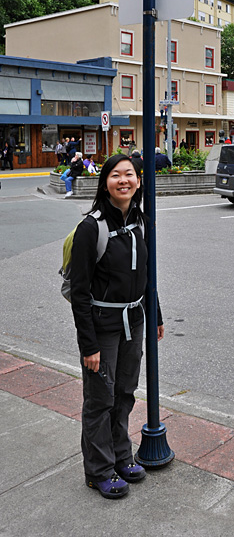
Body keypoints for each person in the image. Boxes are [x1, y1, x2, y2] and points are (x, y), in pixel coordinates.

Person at [69, 154, 164, 499]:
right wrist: (88, 347)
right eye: (115, 175)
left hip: (134, 320)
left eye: (129, 175)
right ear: (104, 181)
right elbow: (79, 294)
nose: (123, 181)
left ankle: (122, 456)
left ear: (138, 181)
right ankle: (98, 470)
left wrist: (155, 314)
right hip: (102, 327)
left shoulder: (140, 222)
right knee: (99, 400)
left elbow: (147, 277)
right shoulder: (91, 228)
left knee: (124, 393)